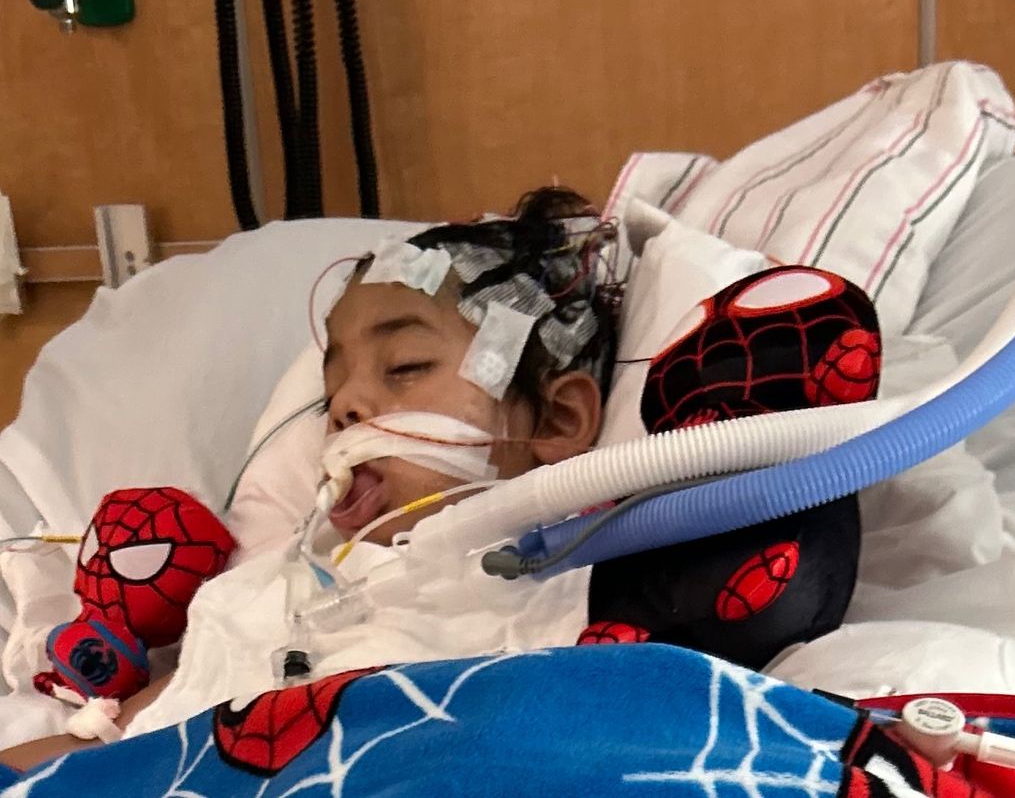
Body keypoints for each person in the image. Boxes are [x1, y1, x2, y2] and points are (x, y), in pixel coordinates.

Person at [0, 186, 620, 773]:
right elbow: (107, 746)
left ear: (559, 421)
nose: (347, 405)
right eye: (330, 393)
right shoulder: (267, 593)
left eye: (405, 367)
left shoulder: (584, 589)